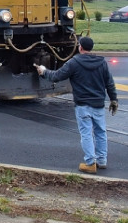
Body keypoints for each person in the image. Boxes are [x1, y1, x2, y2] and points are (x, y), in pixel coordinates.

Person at [35, 36, 118, 174]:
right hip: (98, 104)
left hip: (83, 104)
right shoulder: (102, 63)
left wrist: (43, 72)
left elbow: (56, 76)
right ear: (91, 48)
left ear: (80, 47)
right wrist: (114, 99)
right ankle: (102, 160)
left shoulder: (74, 63)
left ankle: (90, 163)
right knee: (100, 132)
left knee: (86, 133)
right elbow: (109, 83)